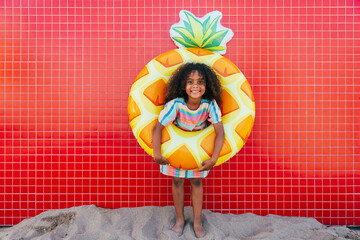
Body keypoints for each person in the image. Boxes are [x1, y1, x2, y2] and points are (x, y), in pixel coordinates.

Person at [152, 62, 225, 238]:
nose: (195, 86)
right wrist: (157, 155)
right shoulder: (175, 105)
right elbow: (158, 128)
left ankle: (197, 222)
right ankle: (179, 220)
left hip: (196, 152)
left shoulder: (209, 105)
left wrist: (214, 158)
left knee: (196, 182)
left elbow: (220, 132)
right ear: (183, 85)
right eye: (190, 82)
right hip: (175, 150)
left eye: (200, 82)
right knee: (177, 181)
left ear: (206, 85)